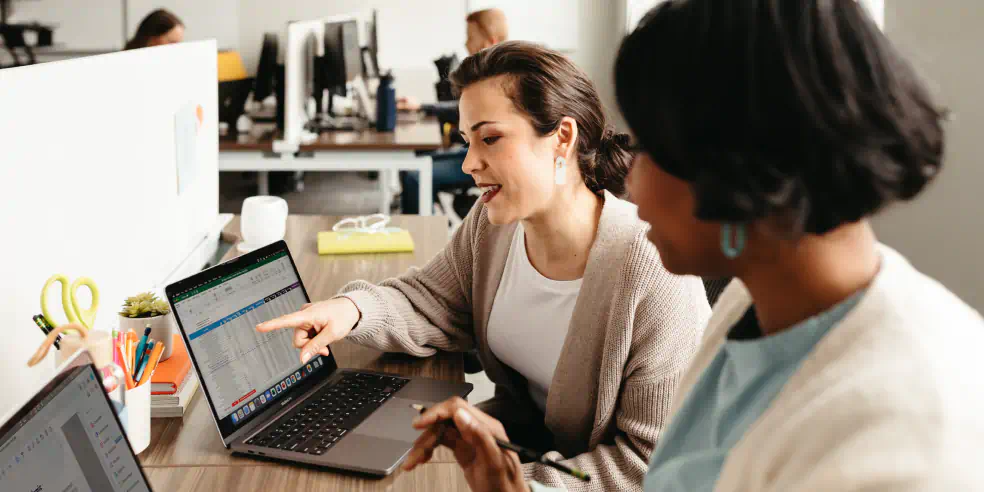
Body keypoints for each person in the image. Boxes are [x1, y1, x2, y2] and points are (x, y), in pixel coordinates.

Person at [402, 0, 984, 491]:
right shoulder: (754, 307)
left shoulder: (907, 432)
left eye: (655, 149)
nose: (634, 181)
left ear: (745, 167)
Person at [257, 41, 711, 490]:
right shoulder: (495, 225)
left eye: (490, 138)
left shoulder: (653, 267)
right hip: (516, 456)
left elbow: (651, 464)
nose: (471, 163)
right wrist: (350, 311)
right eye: (466, 141)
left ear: (563, 138)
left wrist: (516, 485)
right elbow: (433, 300)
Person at [397, 8, 509, 214]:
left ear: (490, 42)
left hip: (485, 158)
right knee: (410, 164)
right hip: (471, 150)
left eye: (470, 37)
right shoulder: (486, 74)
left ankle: (421, 236)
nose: (466, 44)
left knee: (415, 174)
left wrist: (424, 108)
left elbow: (462, 113)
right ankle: (428, 215)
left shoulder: (500, 80)